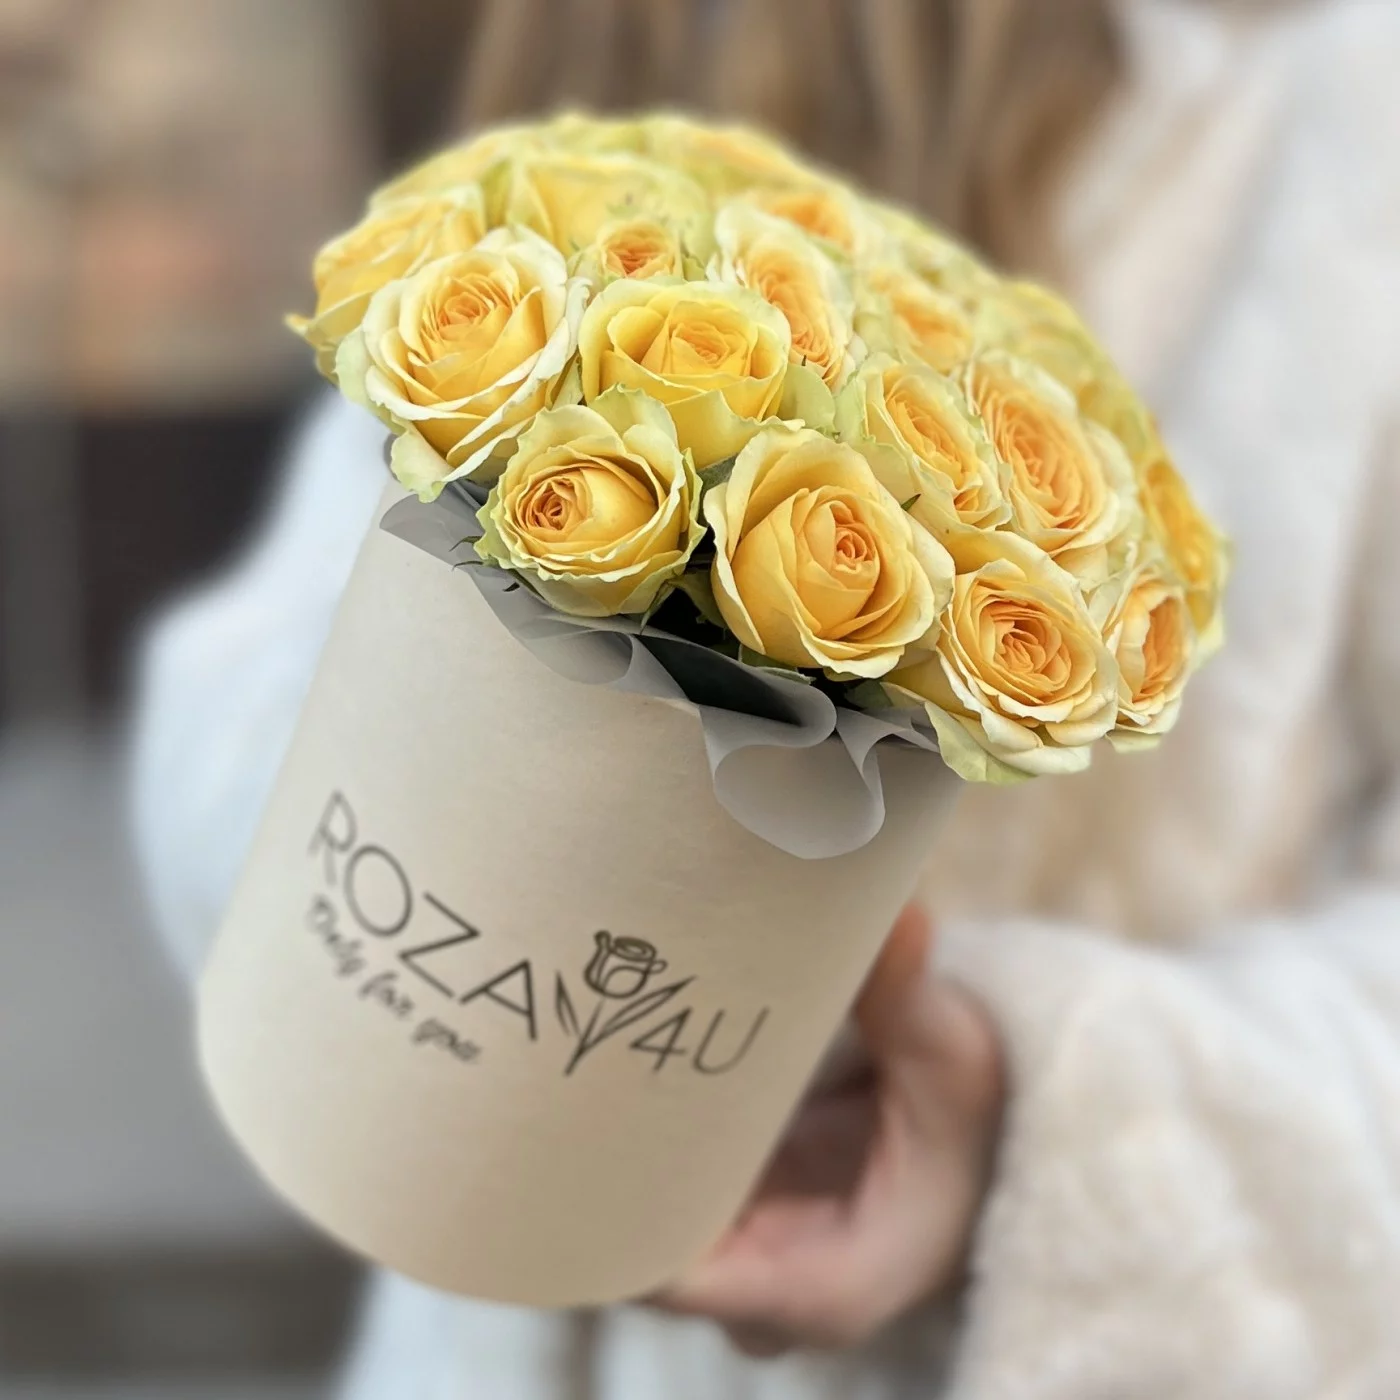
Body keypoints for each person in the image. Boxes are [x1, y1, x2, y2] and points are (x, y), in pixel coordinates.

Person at [131, 0, 1400, 1395]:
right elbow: (267, 670)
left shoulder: (1338, 128)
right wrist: (447, 907)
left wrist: (1045, 1115)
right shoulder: (602, 81)